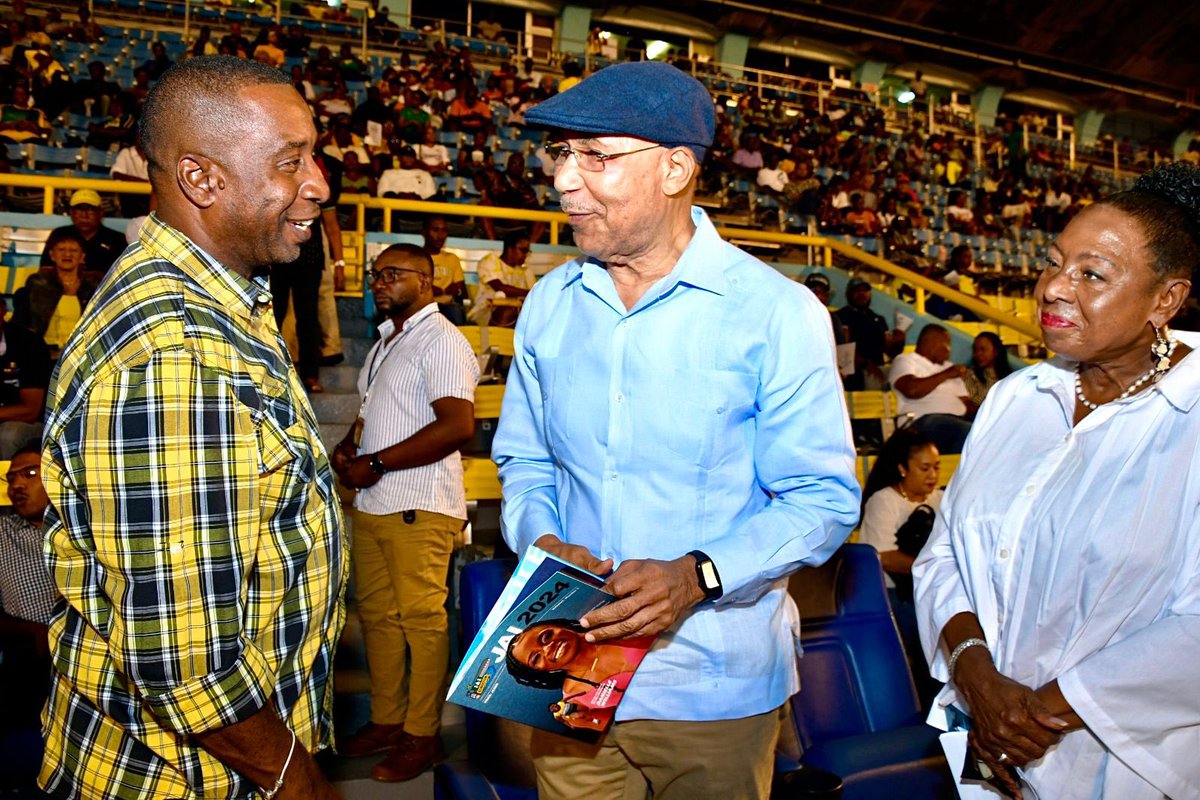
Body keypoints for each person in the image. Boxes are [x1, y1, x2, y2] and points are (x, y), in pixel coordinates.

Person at [493, 61, 859, 800]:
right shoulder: (550, 307)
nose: (565, 180)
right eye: (560, 155)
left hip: (709, 684)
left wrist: (696, 577)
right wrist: (541, 538)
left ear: (675, 169)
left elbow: (821, 498)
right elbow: (525, 460)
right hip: (570, 664)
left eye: (596, 157)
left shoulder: (774, 314)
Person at [38, 56, 346, 799]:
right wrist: (299, 783)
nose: (320, 185)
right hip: (189, 779)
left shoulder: (216, 304)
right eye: (290, 161)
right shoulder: (177, 352)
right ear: (201, 179)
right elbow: (188, 664)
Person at [914, 162, 1200, 800]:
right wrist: (978, 682)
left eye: (1092, 274)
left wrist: (1032, 715)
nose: (1054, 287)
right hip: (990, 749)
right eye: (1053, 262)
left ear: (1166, 300)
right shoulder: (1017, 398)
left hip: (1127, 767)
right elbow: (944, 555)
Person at [332, 243, 477, 783]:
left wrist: (375, 461)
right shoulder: (385, 343)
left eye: (392, 274)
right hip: (376, 501)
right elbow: (374, 415)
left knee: (421, 623)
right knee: (377, 618)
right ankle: (388, 719)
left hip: (419, 503)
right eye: (375, 275)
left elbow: (457, 425)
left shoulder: (440, 341)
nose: (379, 283)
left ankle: (422, 734)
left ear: (427, 280)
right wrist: (349, 449)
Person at [0, 447, 58, 780]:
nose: (17, 485)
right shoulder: (4, 534)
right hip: (31, 662)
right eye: (11, 478)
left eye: (30, 474)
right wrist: (31, 633)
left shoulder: (85, 530)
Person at [505, 618, 653, 733]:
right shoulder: (575, 699)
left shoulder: (612, 625)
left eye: (546, 637)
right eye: (536, 658)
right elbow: (617, 726)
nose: (548, 647)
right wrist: (586, 720)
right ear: (540, 671)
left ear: (559, 625)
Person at [13, 228, 99, 358]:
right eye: (61, 250)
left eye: (73, 251)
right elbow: (22, 325)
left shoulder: (94, 287)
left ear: (82, 257)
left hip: (81, 357)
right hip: (42, 356)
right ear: (52, 255)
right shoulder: (37, 284)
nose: (67, 254)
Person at [890, 323, 974, 454]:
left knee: (987, 432)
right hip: (920, 421)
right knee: (969, 433)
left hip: (956, 420)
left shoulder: (949, 366)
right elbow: (912, 390)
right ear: (930, 343)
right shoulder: (905, 360)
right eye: (946, 344)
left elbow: (967, 404)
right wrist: (946, 374)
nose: (949, 350)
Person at [0, 295, 51, 460]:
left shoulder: (28, 343)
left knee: (9, 434)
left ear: (3, 310)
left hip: (30, 423)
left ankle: (10, 482)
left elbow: (30, 410)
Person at [835, 276, 906, 389]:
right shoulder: (839, 317)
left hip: (879, 369)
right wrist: (867, 365)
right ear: (848, 294)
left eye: (865, 290)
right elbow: (839, 350)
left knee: (903, 375)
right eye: (857, 290)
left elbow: (890, 353)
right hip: (855, 373)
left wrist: (899, 342)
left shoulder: (879, 319)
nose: (862, 294)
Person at [40, 189, 129, 278]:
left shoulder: (117, 239)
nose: (84, 215)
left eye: (90, 209)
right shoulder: (60, 234)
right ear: (71, 212)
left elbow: (125, 274)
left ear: (101, 212)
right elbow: (45, 269)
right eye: (79, 209)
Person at [470, 228, 532, 327]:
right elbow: (500, 287)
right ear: (510, 249)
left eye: (528, 251)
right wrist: (529, 292)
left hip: (517, 313)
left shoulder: (526, 271)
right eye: (523, 250)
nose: (526, 255)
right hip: (486, 311)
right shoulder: (490, 261)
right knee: (506, 311)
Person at [422, 215, 467, 324]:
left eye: (444, 230)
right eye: (435, 230)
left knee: (456, 311)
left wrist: (457, 290)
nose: (440, 236)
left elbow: (462, 291)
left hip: (449, 307)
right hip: (424, 307)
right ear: (424, 232)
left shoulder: (452, 258)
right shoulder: (416, 257)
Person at [963, 331, 1011, 407]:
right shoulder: (970, 374)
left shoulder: (1010, 378)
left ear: (995, 351)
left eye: (983, 349)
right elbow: (969, 404)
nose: (978, 354)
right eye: (975, 350)